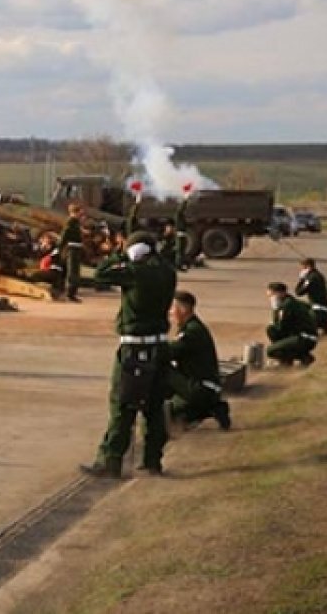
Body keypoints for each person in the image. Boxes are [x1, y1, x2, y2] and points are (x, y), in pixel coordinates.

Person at [80, 231, 178, 479]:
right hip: (160, 347)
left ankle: (111, 460)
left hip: (134, 348)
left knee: (122, 405)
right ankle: (153, 461)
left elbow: (100, 275)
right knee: (155, 407)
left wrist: (118, 254)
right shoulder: (168, 271)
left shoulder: (136, 272)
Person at [163, 291, 230, 431]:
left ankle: (209, 407)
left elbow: (169, 353)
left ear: (184, 309)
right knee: (177, 412)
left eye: (172, 308)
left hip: (200, 387)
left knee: (162, 368)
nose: (170, 312)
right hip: (205, 386)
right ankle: (212, 408)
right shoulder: (193, 327)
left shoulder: (192, 332)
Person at [265, 282, 318, 367]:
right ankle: (287, 359)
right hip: (305, 336)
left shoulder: (287, 305)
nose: (271, 299)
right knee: (271, 330)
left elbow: (280, 327)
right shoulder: (291, 301)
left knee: (270, 351)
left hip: (304, 338)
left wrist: (275, 310)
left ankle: (304, 357)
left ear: (281, 293)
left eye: (272, 295)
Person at [295, 258, 327, 336]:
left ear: (308, 267)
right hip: (322, 306)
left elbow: (299, 292)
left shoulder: (311, 278)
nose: (302, 270)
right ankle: (323, 323)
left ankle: (321, 323)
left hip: (319, 308)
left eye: (303, 268)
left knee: (304, 323)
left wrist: (301, 279)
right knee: (299, 304)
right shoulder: (317, 274)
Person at [59, 203, 85, 302]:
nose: (81, 215)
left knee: (74, 271)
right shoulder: (71, 222)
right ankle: (70, 294)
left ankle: (72, 293)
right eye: (80, 212)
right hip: (72, 249)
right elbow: (64, 235)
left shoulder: (75, 222)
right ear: (76, 212)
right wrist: (59, 247)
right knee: (73, 272)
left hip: (75, 248)